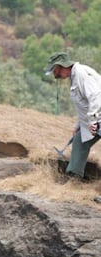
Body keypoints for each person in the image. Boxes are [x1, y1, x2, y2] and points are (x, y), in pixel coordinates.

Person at [45, 52, 101, 180]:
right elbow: (84, 104)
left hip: (97, 117)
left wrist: (92, 121)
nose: (54, 75)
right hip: (95, 118)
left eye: (54, 70)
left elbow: (96, 96)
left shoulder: (82, 74)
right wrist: (79, 125)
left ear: (61, 66)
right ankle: (73, 178)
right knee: (79, 141)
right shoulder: (74, 77)